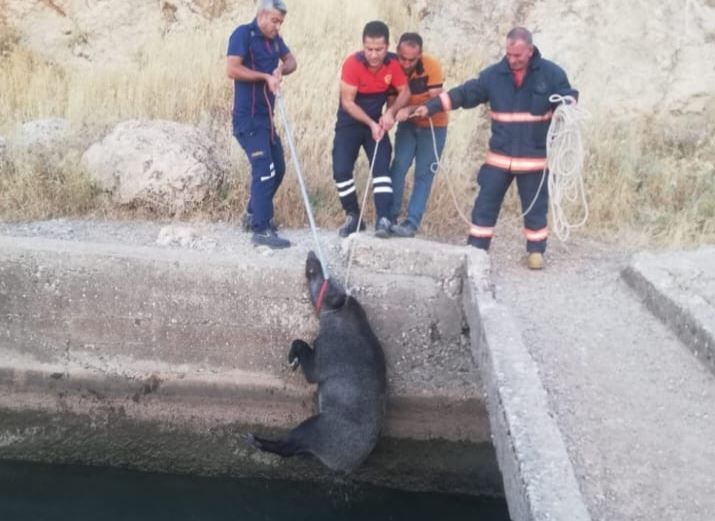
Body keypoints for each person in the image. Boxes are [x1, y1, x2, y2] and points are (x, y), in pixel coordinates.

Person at [414, 27, 578, 269]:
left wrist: (568, 106)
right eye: (509, 54)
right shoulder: (494, 75)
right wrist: (432, 106)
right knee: (485, 205)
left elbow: (568, 96)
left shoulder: (551, 74)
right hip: (499, 158)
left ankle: (536, 252)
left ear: (530, 51)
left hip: (534, 160)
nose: (512, 60)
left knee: (536, 208)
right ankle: (476, 250)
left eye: (517, 55)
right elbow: (466, 93)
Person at [226, 0, 296, 249]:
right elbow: (232, 69)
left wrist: (280, 70)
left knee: (278, 168)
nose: (278, 26)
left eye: (281, 22)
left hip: (267, 119)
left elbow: (292, 61)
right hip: (248, 118)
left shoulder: (275, 40)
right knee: (264, 170)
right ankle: (261, 229)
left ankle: (252, 214)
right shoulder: (243, 34)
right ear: (262, 16)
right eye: (275, 20)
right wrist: (264, 76)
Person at [332, 20, 411, 238]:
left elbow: (405, 91)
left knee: (381, 168)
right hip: (349, 122)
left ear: (387, 46)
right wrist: (371, 123)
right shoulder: (352, 64)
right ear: (363, 45)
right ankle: (353, 216)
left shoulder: (393, 63)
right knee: (341, 170)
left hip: (377, 120)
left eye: (379, 49)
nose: (374, 55)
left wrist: (391, 113)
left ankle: (384, 219)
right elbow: (348, 103)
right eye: (369, 49)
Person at [388, 33, 448, 238]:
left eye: (411, 60)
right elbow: (391, 103)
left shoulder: (432, 65)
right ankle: (389, 216)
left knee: (424, 174)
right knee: (398, 167)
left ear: (420, 55)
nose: (406, 64)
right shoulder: (392, 67)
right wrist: (392, 114)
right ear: (397, 51)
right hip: (407, 125)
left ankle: (411, 223)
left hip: (434, 126)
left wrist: (408, 109)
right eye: (402, 58)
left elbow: (435, 102)